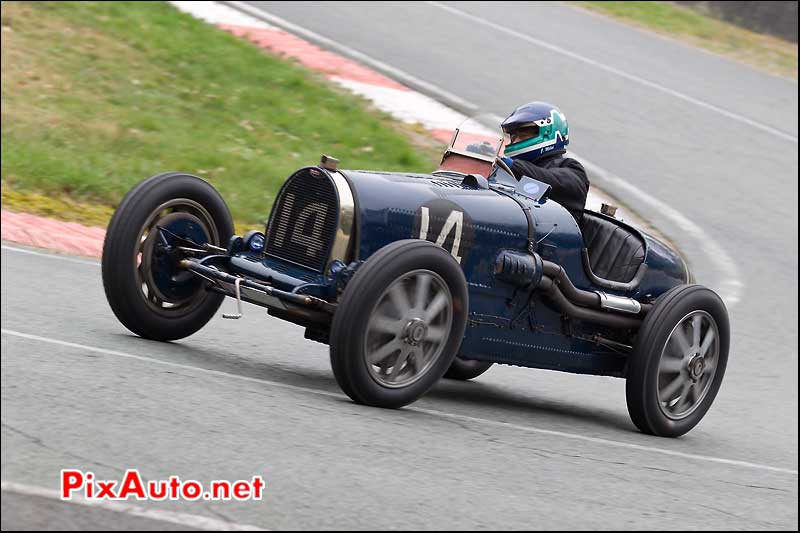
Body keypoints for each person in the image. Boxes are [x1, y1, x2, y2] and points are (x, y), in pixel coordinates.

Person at [499, 102, 589, 222]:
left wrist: (510, 165)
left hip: (551, 237)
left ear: (547, 133)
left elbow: (550, 180)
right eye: (513, 137)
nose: (515, 142)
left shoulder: (573, 170)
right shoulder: (510, 171)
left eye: (523, 135)